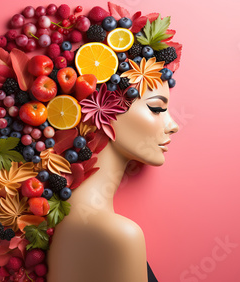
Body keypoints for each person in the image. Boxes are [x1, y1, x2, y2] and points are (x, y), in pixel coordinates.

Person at [47, 80, 179, 282]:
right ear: (107, 109)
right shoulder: (120, 236)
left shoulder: (73, 224)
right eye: (156, 109)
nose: (173, 126)